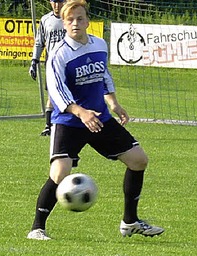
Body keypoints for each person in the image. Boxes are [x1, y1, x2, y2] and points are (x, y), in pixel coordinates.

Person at [26, 0, 164, 241]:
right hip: (69, 121)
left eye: (80, 18)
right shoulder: (59, 54)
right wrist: (81, 112)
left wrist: (113, 103)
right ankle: (37, 228)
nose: (75, 23)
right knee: (60, 173)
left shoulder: (99, 45)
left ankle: (130, 222)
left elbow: (104, 75)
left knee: (138, 160)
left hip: (99, 117)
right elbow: (57, 92)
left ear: (88, 21)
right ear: (64, 23)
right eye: (70, 20)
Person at [29, 0, 67, 136]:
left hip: (70, 62)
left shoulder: (71, 18)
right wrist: (34, 60)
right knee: (52, 93)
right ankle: (48, 125)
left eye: (60, 1)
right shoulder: (46, 20)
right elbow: (39, 42)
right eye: (54, 2)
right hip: (52, 64)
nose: (57, 5)